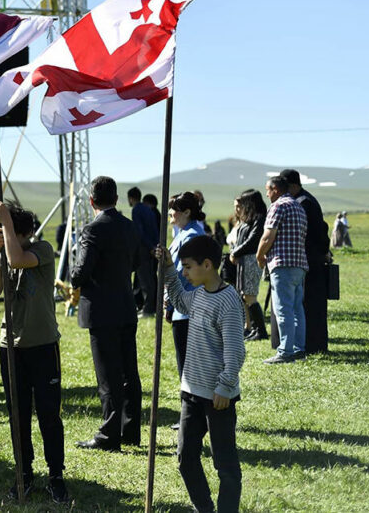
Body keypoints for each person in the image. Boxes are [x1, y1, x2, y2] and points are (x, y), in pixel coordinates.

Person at [0, 201, 70, 504]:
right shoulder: (6, 250)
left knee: (49, 414)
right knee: (17, 414)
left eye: (11, 232)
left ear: (26, 233)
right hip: (11, 347)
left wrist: (6, 222)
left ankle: (56, 474)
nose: (6, 237)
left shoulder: (42, 249)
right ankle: (23, 472)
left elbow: (20, 259)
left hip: (43, 344)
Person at [157, 236, 245, 513]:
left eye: (187, 267)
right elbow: (180, 302)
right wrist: (170, 269)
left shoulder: (228, 301)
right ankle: (205, 509)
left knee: (224, 463)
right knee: (185, 458)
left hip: (217, 396)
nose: (185, 273)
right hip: (191, 392)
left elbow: (235, 351)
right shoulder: (197, 295)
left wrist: (225, 385)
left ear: (207, 265)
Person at [70, 176, 141, 451]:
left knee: (108, 376)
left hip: (101, 310)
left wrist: (75, 278)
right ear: (116, 199)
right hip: (125, 305)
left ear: (91, 200)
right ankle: (129, 429)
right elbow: (136, 262)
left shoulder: (93, 229)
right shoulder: (129, 226)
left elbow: (82, 270)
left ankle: (109, 435)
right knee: (128, 373)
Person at [256, 175, 308, 364]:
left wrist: (260, 255)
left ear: (275, 189)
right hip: (299, 263)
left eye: (268, 190)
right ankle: (298, 348)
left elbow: (268, 236)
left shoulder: (278, 206)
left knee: (282, 309)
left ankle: (285, 351)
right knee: (296, 308)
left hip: (282, 263)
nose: (267, 194)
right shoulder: (298, 206)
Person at [281, 169, 332, 354]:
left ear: (293, 186)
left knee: (308, 305)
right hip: (314, 258)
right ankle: (313, 344)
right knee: (310, 304)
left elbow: (316, 232)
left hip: (309, 259)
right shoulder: (305, 199)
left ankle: (312, 345)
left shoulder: (302, 203)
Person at [167, 192, 208, 378]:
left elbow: (183, 274)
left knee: (188, 363)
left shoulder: (191, 236)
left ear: (186, 212)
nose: (170, 213)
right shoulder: (183, 233)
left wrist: (169, 301)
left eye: (174, 209)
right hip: (183, 306)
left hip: (187, 307)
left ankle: (190, 400)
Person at [228, 190, 268, 341]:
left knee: (250, 295)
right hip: (245, 260)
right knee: (245, 295)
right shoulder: (251, 219)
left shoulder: (259, 218)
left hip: (251, 260)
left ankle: (261, 331)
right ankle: (254, 329)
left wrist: (235, 253)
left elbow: (253, 240)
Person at [128, 186, 159, 316]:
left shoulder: (136, 210)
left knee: (145, 281)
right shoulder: (148, 209)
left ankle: (148, 309)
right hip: (151, 247)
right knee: (151, 278)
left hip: (143, 249)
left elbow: (139, 232)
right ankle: (151, 307)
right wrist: (154, 246)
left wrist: (149, 247)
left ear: (131, 198)